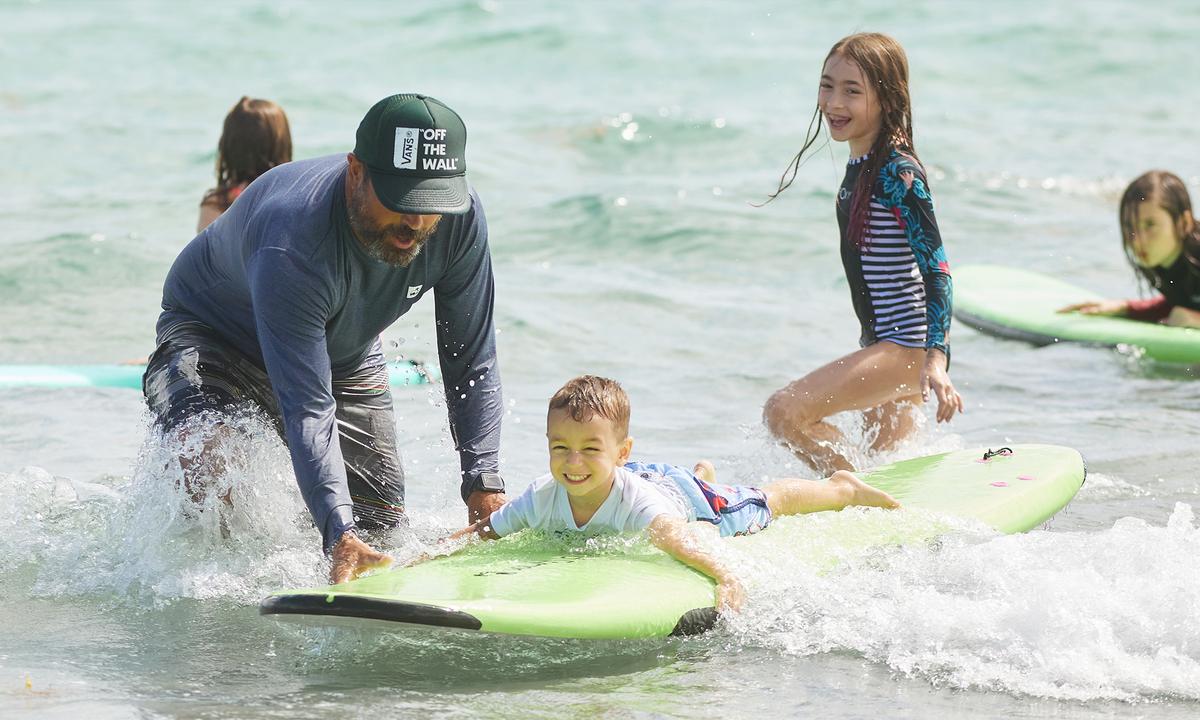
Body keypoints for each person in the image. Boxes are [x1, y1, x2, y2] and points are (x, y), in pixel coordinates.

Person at [144, 94, 507, 583]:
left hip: (346, 352)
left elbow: (471, 359)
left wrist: (483, 483)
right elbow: (308, 406)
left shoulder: (460, 219)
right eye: (401, 199)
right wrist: (338, 531)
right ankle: (222, 607)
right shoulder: (293, 240)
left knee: (381, 527)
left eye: (430, 204)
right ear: (355, 172)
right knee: (212, 472)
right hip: (213, 338)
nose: (416, 222)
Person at [452, 375, 900, 611]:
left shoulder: (639, 506)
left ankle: (841, 487)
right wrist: (431, 554)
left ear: (621, 452)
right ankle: (703, 474)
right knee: (687, 485)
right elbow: (483, 532)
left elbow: (682, 541)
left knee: (763, 503)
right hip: (648, 479)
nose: (573, 462)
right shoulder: (542, 495)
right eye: (560, 448)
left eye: (589, 449)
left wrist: (727, 578)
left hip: (677, 495)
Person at [760, 33, 964, 475]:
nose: (834, 102)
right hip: (885, 344)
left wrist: (936, 358)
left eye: (852, 91)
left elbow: (938, 270)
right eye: (827, 85)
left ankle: (847, 487)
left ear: (887, 98)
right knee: (884, 467)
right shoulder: (864, 165)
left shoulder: (897, 173)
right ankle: (870, 495)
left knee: (784, 413)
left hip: (906, 346)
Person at [1058, 170, 1200, 328]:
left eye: (1150, 225)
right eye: (1129, 226)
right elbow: (1184, 301)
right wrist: (1126, 308)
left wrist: (1195, 319)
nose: (1137, 240)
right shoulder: (1168, 262)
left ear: (1184, 223)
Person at [197, 97, 293, 232]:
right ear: (282, 144)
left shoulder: (216, 205)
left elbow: (206, 245)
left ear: (228, 146)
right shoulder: (295, 197)